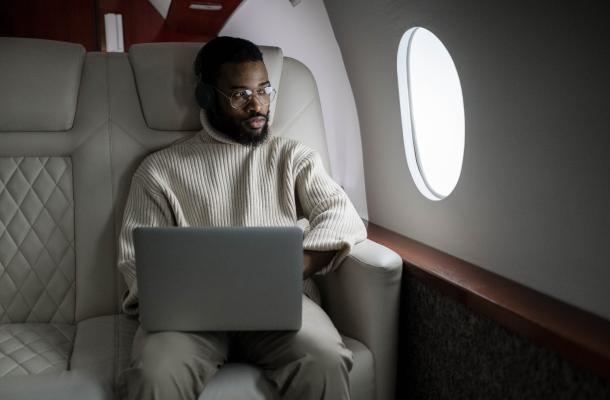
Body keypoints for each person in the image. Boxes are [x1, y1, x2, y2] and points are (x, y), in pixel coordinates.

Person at [117, 36, 367, 400]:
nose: (258, 106)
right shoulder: (159, 171)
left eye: (264, 90)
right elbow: (135, 262)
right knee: (154, 375)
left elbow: (342, 216)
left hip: (280, 308)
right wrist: (183, 295)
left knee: (326, 360)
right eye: (240, 95)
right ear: (206, 97)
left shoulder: (293, 157)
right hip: (189, 320)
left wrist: (295, 266)